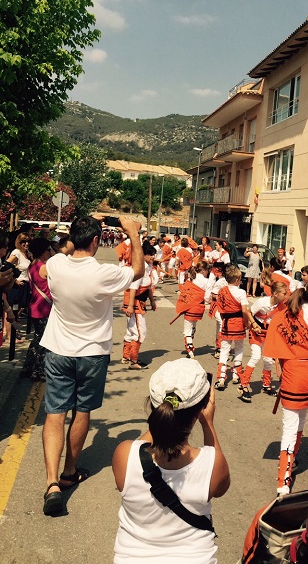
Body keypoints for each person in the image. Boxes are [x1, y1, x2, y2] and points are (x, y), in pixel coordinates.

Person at [40, 215, 144, 516]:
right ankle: (70, 471)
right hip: (92, 353)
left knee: (55, 414)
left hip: (58, 349)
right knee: (82, 411)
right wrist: (132, 234)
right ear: (97, 242)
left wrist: (78, 232)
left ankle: (51, 483)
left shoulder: (57, 265)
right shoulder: (104, 273)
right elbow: (137, 270)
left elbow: (48, 265)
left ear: (74, 238)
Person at [112, 358, 230, 563]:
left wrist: (163, 416)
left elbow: (143, 446)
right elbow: (220, 488)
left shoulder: (124, 454)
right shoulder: (213, 462)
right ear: (202, 407)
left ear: (154, 405)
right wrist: (207, 423)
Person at [264, 279, 308, 495]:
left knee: (289, 426)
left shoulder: (289, 313)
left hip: (291, 372)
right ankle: (289, 466)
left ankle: (283, 480)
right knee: (301, 419)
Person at [238, 280, 289, 401]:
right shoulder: (262, 302)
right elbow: (249, 312)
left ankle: (266, 384)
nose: (286, 295)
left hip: (269, 333)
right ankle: (243, 385)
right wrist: (254, 324)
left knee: (268, 359)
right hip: (256, 331)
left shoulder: (282, 307)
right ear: (275, 294)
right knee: (256, 356)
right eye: (284, 293)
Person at [214, 265, 252, 390]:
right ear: (236, 279)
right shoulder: (241, 292)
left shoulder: (221, 291)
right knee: (239, 348)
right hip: (238, 323)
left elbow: (219, 306)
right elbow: (245, 311)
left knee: (225, 349)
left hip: (226, 323)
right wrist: (248, 323)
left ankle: (221, 376)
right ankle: (236, 374)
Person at [121, 242, 158, 370]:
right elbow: (133, 288)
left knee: (131, 330)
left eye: (153, 254)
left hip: (139, 303)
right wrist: (130, 306)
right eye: (150, 254)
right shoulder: (139, 269)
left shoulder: (146, 268)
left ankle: (126, 356)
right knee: (140, 332)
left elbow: (147, 287)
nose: (153, 257)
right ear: (143, 255)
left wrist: (152, 301)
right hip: (135, 303)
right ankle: (133, 360)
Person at [22, 237, 54, 380]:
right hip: (44, 308)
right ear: (42, 251)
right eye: (48, 250)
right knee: (44, 341)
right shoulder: (43, 267)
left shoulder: (32, 265)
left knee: (37, 338)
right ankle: (39, 370)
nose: (50, 252)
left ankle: (28, 366)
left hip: (35, 306)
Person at [175, 259, 215, 358]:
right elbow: (207, 297)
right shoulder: (207, 281)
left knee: (187, 329)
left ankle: (189, 348)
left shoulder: (191, 278)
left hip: (188, 306)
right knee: (193, 327)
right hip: (198, 308)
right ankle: (190, 344)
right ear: (203, 270)